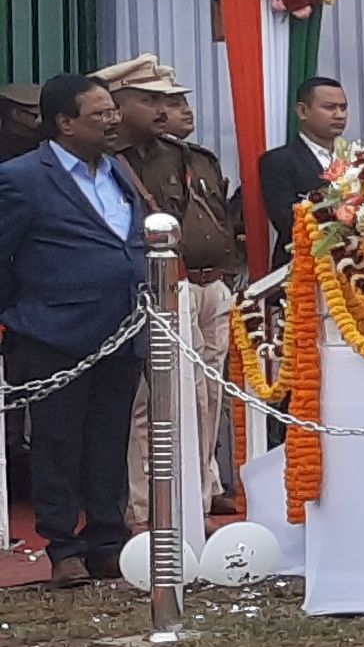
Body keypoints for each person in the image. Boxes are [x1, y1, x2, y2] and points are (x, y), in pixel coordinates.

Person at [0, 73, 154, 582]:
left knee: (109, 441)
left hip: (121, 330)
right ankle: (63, 547)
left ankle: (109, 540)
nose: (113, 121)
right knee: (57, 443)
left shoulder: (119, 171)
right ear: (65, 123)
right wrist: (19, 316)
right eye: (100, 114)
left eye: (113, 111)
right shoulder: (23, 177)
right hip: (53, 335)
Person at [105, 58, 242, 521]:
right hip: (156, 290)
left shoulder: (183, 154)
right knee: (151, 405)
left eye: (167, 99)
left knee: (205, 397)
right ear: (117, 104)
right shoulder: (106, 161)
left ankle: (197, 495)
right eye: (151, 100)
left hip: (207, 283)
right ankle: (147, 509)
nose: (164, 109)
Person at [256, 74, 347, 272]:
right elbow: (286, 220)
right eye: (330, 108)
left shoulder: (358, 160)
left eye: (343, 107)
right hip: (301, 271)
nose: (340, 115)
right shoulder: (278, 161)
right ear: (303, 111)